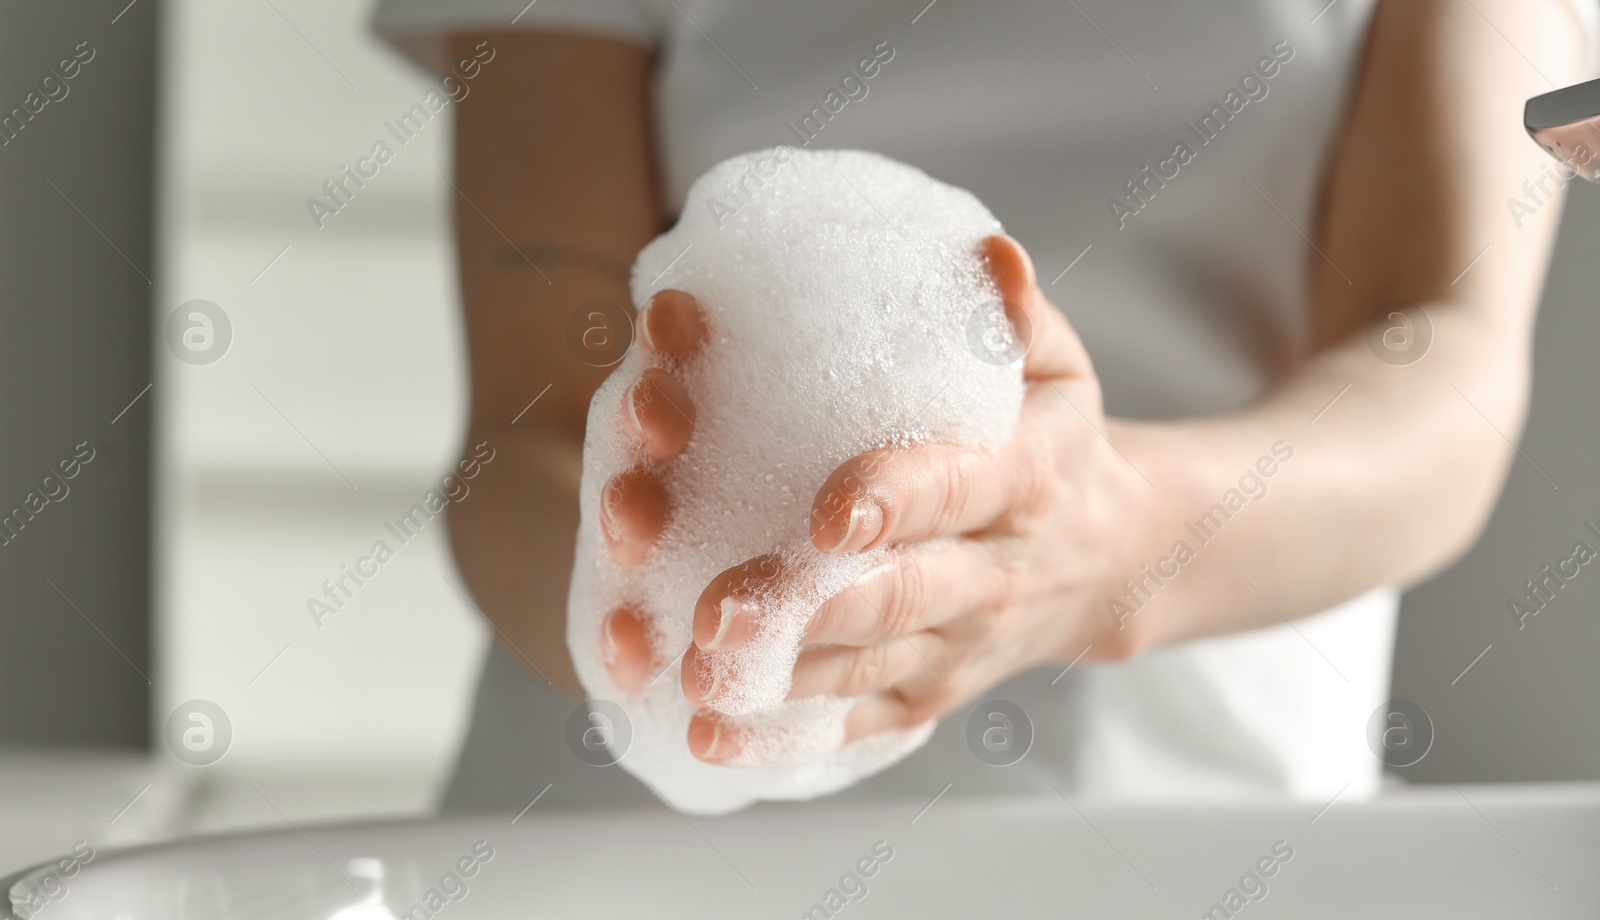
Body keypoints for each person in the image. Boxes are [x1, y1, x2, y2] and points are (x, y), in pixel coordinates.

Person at [371, 0, 1597, 810]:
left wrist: (1107, 535)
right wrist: (648, 632)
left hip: (1194, 852)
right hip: (617, 882)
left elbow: (1440, 361)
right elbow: (529, 424)